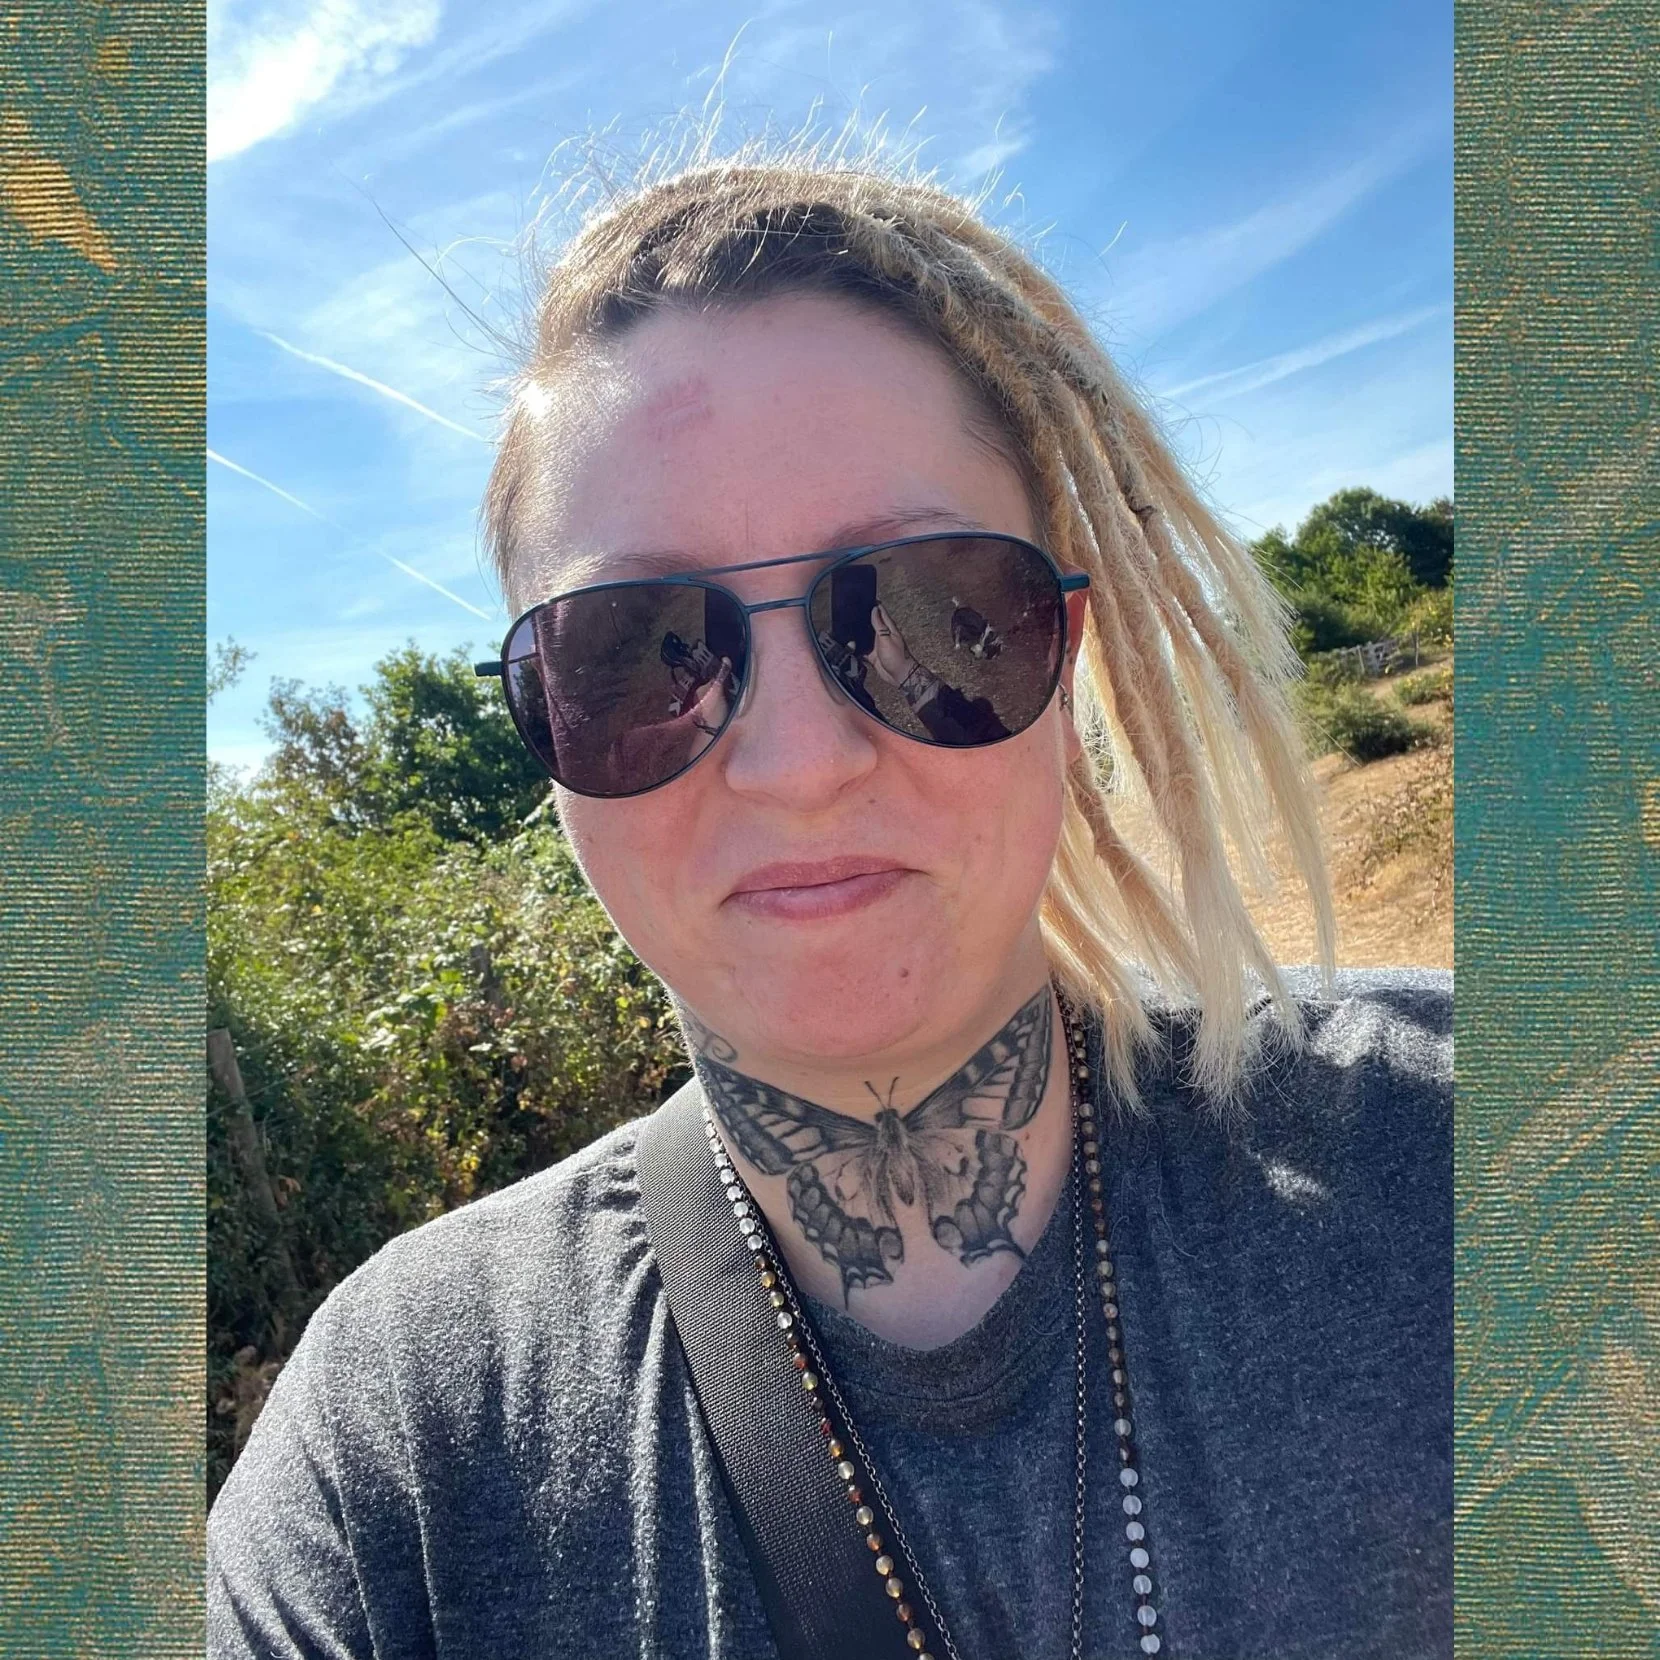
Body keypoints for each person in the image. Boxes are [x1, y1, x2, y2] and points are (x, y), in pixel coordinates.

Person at [208, 150, 1452, 1659]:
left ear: (1067, 658)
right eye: (634, 654)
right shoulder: (399, 1458)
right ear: (541, 728)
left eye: (933, 612)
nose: (798, 764)